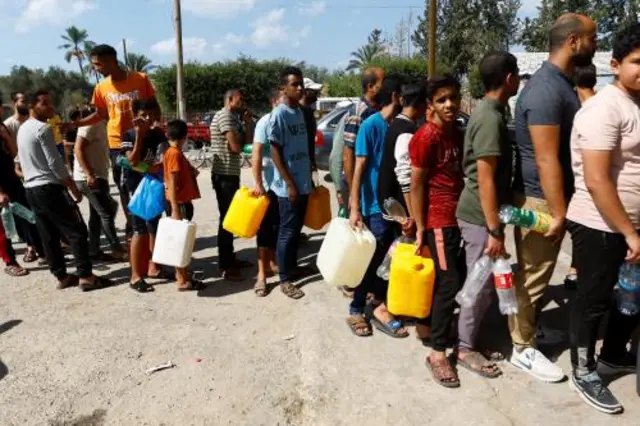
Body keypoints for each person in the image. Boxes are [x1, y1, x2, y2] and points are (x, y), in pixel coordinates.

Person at [510, 13, 596, 382]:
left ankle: (529, 330)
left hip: (549, 198)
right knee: (533, 275)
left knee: (540, 275)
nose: (595, 42)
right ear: (573, 41)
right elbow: (546, 158)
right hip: (539, 201)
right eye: (592, 37)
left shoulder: (559, 83)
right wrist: (560, 213)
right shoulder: (546, 89)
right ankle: (522, 348)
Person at [565, 23, 640, 414]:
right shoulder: (603, 108)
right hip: (600, 224)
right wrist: (629, 232)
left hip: (630, 227)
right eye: (637, 62)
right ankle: (584, 369)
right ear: (614, 64)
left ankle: (613, 354)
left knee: (631, 297)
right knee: (593, 301)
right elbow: (595, 179)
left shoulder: (636, 105)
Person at [455, 52, 521, 381]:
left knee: (484, 284)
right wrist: (494, 229)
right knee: (478, 285)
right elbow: (485, 178)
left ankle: (473, 339)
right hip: (479, 217)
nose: (519, 80)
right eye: (518, 75)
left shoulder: (491, 111)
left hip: (484, 217)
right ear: (509, 78)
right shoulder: (490, 117)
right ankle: (465, 347)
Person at [17, 89, 110, 291]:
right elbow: (55, 164)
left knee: (49, 234)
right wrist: (72, 188)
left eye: (51, 103)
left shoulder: (23, 129)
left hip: (31, 189)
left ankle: (61, 275)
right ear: (33, 106)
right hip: (49, 188)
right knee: (76, 230)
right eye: (45, 104)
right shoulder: (42, 129)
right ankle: (86, 276)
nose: (51, 107)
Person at [409, 75, 465, 387]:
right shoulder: (426, 137)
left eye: (453, 98)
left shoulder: (455, 133)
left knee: (452, 277)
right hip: (438, 219)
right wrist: (420, 228)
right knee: (449, 282)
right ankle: (438, 352)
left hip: (458, 217)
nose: (449, 105)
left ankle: (429, 325)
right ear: (430, 105)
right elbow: (416, 186)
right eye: (442, 100)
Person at [75, 44, 159, 237]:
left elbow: (154, 106)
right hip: (117, 146)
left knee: (148, 178)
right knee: (125, 185)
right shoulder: (101, 87)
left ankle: (151, 223)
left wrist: (154, 126)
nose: (96, 68)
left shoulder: (140, 79)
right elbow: (100, 114)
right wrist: (76, 124)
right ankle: (133, 226)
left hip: (143, 140)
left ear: (111, 60)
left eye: (97, 64)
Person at [347, 76, 406, 337]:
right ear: (396, 97)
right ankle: (356, 309)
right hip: (373, 206)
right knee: (372, 260)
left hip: (396, 207)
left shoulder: (400, 126)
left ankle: (380, 303)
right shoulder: (370, 125)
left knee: (389, 259)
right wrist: (354, 206)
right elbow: (358, 166)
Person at [268, 66, 313, 300]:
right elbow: (274, 152)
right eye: (294, 84)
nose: (299, 88)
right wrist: (290, 184)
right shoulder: (280, 114)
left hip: (303, 181)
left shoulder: (301, 113)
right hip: (289, 186)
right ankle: (285, 279)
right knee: (286, 231)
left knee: (296, 230)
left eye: (300, 83)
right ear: (283, 88)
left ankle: (292, 267)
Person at [121, 99, 167, 293]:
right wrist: (139, 135)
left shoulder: (158, 134)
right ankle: (135, 276)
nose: (148, 118)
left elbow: (163, 158)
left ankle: (154, 266)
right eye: (143, 115)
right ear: (136, 116)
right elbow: (131, 160)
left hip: (153, 185)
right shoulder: (129, 134)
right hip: (135, 187)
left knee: (154, 226)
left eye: (150, 114)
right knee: (139, 230)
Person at [209, 89, 254, 281]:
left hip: (231, 173)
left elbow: (247, 143)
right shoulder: (225, 116)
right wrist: (238, 142)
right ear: (229, 100)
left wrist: (247, 125)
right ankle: (226, 265)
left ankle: (230, 258)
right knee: (227, 220)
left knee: (231, 217)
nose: (243, 102)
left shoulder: (234, 118)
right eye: (240, 99)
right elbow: (237, 147)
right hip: (224, 174)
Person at [74, 109, 127, 262]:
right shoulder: (90, 125)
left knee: (97, 214)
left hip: (98, 176)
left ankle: (94, 250)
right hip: (90, 178)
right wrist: (89, 174)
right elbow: (78, 148)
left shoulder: (104, 125)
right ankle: (116, 249)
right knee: (107, 212)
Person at [564, 62, 597, 291]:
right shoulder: (605, 105)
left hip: (586, 187)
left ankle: (579, 271)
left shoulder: (583, 112)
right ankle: (576, 269)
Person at [164, 119, 205, 292]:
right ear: (184, 137)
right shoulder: (174, 153)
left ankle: (181, 274)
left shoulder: (173, 152)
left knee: (181, 240)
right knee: (180, 241)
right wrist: (174, 208)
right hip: (178, 203)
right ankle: (182, 279)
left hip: (180, 202)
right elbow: (172, 181)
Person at [252, 88, 282, 297]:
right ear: (273, 102)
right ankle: (261, 275)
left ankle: (274, 263)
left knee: (279, 228)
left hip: (283, 185)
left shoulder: (286, 121)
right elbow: (255, 153)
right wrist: (258, 183)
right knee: (264, 231)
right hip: (267, 185)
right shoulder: (264, 123)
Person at [342, 67, 386, 211]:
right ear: (370, 87)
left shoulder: (379, 110)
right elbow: (348, 155)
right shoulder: (358, 112)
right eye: (383, 82)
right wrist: (354, 195)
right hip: (358, 186)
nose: (386, 86)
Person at [3, 91, 29, 157]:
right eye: (23, 101)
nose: (26, 104)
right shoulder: (7, 125)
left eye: (27, 101)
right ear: (14, 103)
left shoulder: (31, 122)